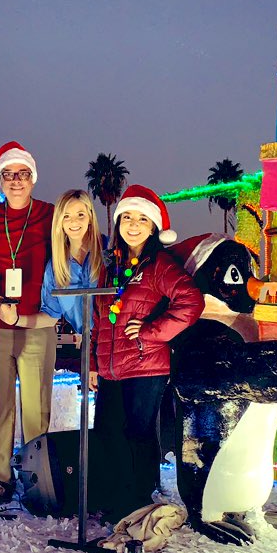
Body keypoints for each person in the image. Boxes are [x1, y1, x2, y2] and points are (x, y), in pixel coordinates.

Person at [89, 185, 204, 521]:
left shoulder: (160, 266)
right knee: (109, 432)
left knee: (137, 435)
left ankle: (137, 501)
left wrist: (152, 333)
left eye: (142, 219)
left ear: (154, 227)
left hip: (144, 366)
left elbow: (191, 302)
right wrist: (95, 365)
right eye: (127, 217)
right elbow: (99, 318)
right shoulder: (111, 266)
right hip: (111, 368)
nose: (133, 225)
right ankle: (116, 498)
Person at [0, 141, 54, 504]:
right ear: (0, 180)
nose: (15, 181)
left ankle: (37, 479)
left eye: (22, 174)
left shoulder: (51, 215)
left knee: (36, 408)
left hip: (37, 323)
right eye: (7, 175)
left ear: (33, 178)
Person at [0, 189, 105, 337]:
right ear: (59, 222)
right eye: (66, 216)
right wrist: (15, 320)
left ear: (90, 217)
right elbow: (50, 316)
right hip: (88, 346)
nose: (74, 221)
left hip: (119, 342)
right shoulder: (56, 267)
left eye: (80, 215)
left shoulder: (109, 253)